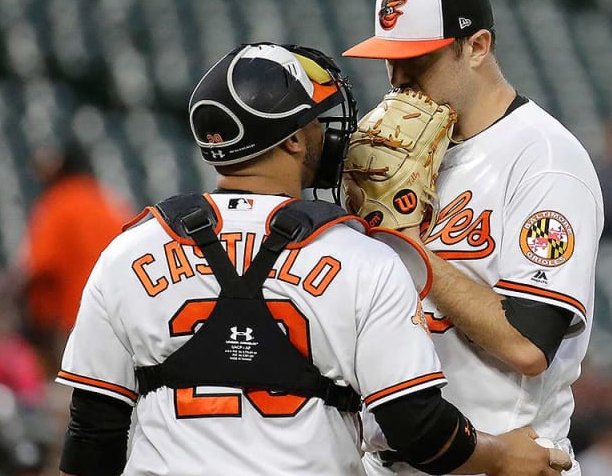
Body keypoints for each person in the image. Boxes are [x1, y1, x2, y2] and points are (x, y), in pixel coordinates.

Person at [55, 43, 568, 476]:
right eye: (317, 122)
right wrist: (502, 456)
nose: (331, 132)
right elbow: (418, 428)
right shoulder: (362, 258)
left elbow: (92, 437)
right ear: (295, 139)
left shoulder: (128, 251)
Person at [344, 0, 605, 475]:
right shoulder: (399, 154)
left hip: (505, 462)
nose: (398, 79)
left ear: (477, 46)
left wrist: (405, 245)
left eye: (417, 61)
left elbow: (528, 345)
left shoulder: (545, 159)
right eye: (389, 60)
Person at [19, 137, 131, 371]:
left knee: (78, 395)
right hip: (122, 318)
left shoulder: (59, 202)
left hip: (76, 318)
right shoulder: (110, 201)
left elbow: (38, 267)